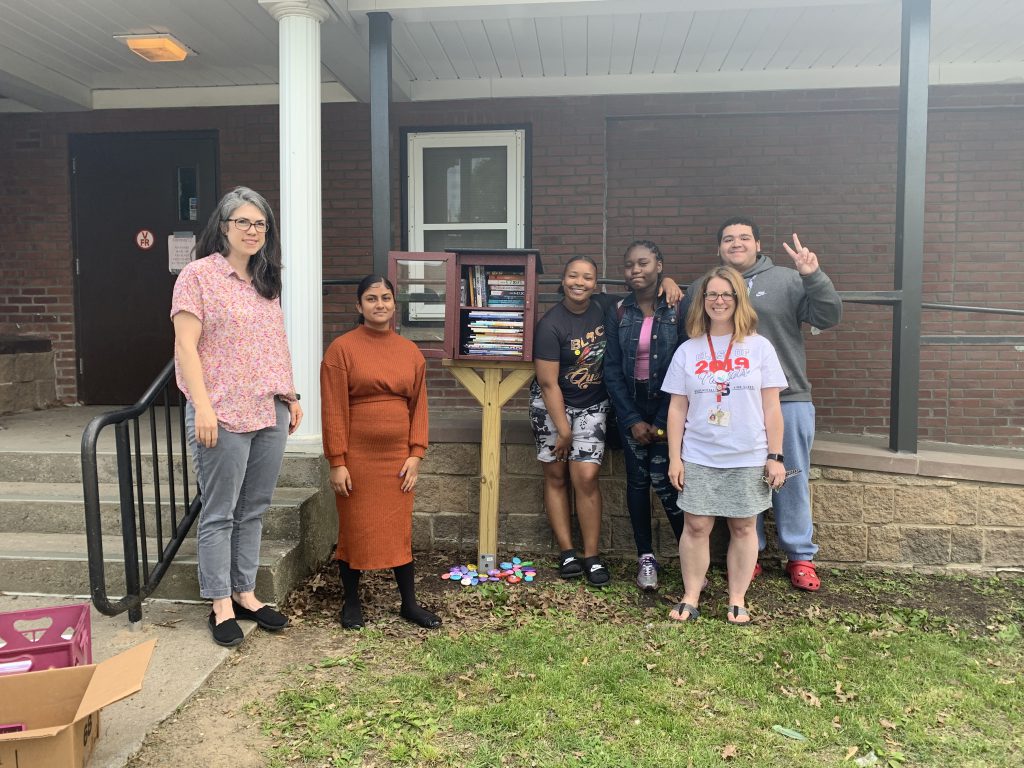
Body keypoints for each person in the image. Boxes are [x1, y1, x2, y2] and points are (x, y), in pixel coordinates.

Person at [171, 186, 303, 648]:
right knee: (220, 510)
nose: (253, 231)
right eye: (244, 222)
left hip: (268, 408)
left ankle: (245, 592)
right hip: (221, 411)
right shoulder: (198, 276)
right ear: (223, 227)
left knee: (255, 508)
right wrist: (201, 406)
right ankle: (219, 602)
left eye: (261, 224)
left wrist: (290, 393)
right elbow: (186, 346)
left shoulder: (266, 280)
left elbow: (273, 342)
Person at [711, 217, 842, 591]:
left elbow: (829, 316)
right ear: (719, 248)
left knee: (792, 478)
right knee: (743, 477)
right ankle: (749, 554)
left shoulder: (786, 279)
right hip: (734, 402)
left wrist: (813, 275)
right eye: (728, 239)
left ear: (757, 243)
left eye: (744, 238)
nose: (736, 244)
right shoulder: (713, 287)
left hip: (788, 397)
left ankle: (800, 557)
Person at [662, 266, 788, 625]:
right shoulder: (689, 350)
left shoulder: (760, 347)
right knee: (697, 526)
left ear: (738, 300)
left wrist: (775, 456)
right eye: (711, 295)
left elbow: (771, 407)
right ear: (702, 302)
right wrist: (675, 457)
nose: (719, 301)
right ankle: (691, 595)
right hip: (700, 453)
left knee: (744, 527)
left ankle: (737, 597)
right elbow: (677, 408)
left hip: (747, 454)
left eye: (726, 294)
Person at [320, 275, 441, 630]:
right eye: (371, 299)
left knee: (398, 529)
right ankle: (352, 602)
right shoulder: (341, 349)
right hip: (357, 458)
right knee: (355, 528)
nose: (380, 304)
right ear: (359, 306)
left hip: (397, 459)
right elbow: (333, 409)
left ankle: (409, 603)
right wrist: (337, 461)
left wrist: (416, 454)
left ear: (394, 303)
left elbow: (420, 406)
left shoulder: (409, 352)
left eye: (386, 298)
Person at [604, 240, 687, 591]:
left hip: (670, 410)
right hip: (632, 412)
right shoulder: (619, 310)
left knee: (670, 483)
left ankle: (689, 556)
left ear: (659, 265)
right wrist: (631, 419)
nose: (635, 270)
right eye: (629, 265)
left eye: (643, 263)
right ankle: (646, 558)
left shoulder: (678, 308)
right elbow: (610, 368)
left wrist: (663, 420)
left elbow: (685, 366)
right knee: (637, 483)